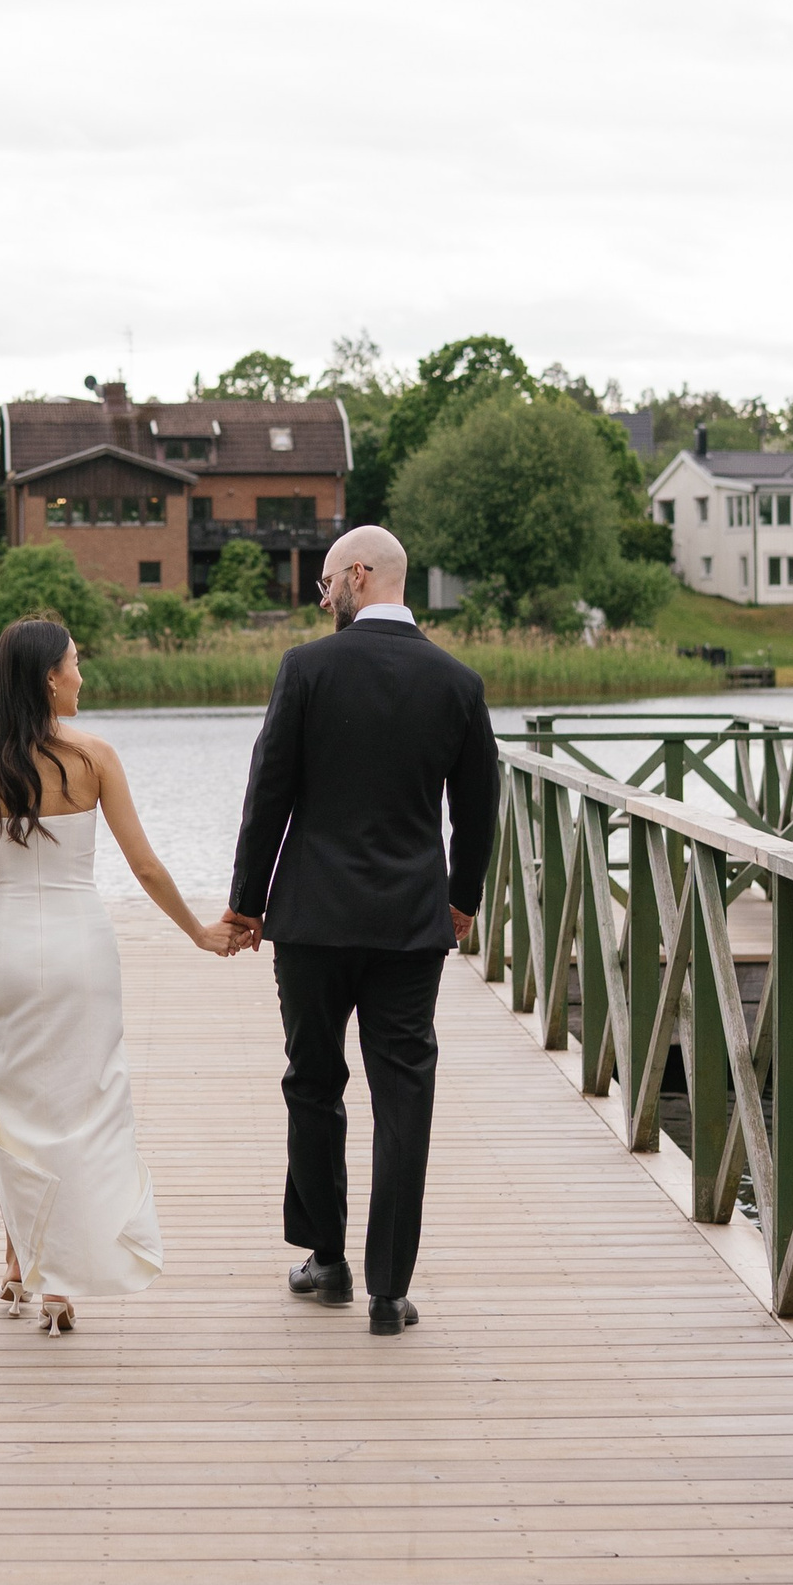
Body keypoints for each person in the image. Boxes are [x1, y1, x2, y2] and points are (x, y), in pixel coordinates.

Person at [0, 615, 239, 1333]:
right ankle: (58, 1278)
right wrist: (198, 933)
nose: (82, 676)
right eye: (74, 664)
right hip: (82, 946)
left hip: (9, 947)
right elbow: (147, 866)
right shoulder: (94, 756)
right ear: (47, 678)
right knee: (82, 1103)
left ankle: (20, 1262)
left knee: (16, 1103)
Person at [223, 525, 499, 1335]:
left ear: (359, 574)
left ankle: (328, 1261)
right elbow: (478, 809)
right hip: (411, 926)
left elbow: (266, 793)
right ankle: (388, 1290)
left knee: (313, 1083)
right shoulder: (457, 681)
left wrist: (247, 903)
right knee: (403, 1097)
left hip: (311, 919)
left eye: (324, 584)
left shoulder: (307, 669)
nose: (321, 598)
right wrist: (463, 899)